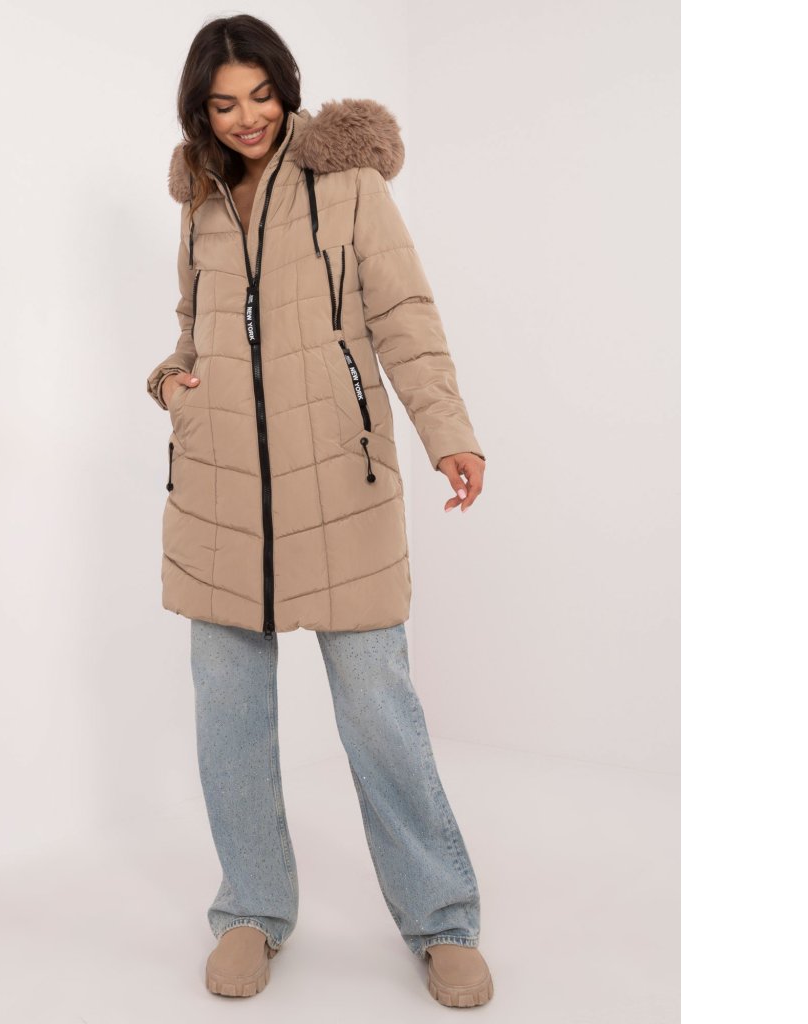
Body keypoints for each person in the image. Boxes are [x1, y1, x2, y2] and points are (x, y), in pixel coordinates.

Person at [146, 14, 493, 1009]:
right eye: (224, 103)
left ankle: (441, 919)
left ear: (286, 88)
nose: (246, 117)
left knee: (379, 708)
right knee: (229, 717)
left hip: (342, 479)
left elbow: (403, 315)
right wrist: (173, 380)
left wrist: (448, 431)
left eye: (260, 95)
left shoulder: (346, 181)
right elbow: (193, 325)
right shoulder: (201, 198)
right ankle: (251, 909)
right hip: (219, 490)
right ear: (200, 111)